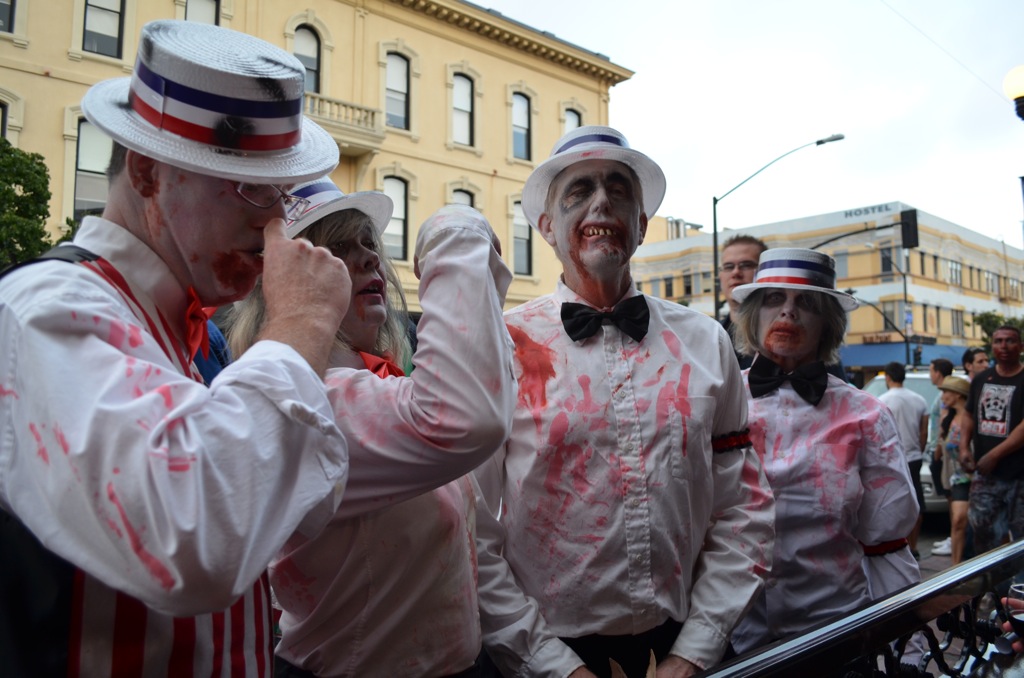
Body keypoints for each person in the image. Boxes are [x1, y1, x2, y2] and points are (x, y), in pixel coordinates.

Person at [0, 20, 355, 675]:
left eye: (283, 195)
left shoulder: (193, 333)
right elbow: (192, 541)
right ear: (146, 173)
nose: (274, 221)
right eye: (251, 187)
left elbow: (306, 508)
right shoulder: (44, 310)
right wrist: (300, 327)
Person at [474, 125, 775, 678]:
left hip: (684, 649)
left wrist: (694, 651)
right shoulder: (501, 345)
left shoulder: (707, 342)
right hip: (545, 655)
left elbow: (744, 509)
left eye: (618, 188)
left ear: (640, 223)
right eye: (578, 190)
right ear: (546, 226)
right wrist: (551, 665)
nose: (601, 202)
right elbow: (472, 532)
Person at [228, 179, 515, 678]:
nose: (367, 259)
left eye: (368, 243)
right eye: (337, 247)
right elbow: (469, 417)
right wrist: (454, 233)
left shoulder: (382, 385)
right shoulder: (320, 405)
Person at [728, 248, 921, 654]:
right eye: (774, 299)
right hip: (734, 635)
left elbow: (886, 542)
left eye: (807, 303)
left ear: (827, 325)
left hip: (835, 634)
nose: (788, 313)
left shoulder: (867, 415)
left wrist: (908, 645)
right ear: (753, 314)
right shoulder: (720, 402)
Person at [959, 326, 1024, 556]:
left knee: (1021, 538)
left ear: (1021, 346)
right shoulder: (980, 380)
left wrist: (994, 455)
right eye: (998, 341)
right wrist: (964, 446)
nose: (1003, 347)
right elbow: (968, 414)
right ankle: (994, 589)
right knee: (984, 534)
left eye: (1010, 341)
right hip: (986, 476)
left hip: (1019, 476)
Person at [878, 361, 930, 558]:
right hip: (914, 456)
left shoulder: (882, 400)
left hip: (892, 458)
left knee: (892, 502)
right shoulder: (919, 400)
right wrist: (919, 449)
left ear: (888, 377)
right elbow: (923, 431)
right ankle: (914, 546)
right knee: (916, 501)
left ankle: (898, 544)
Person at [937, 376, 972, 564]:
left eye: (945, 391)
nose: (942, 396)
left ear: (958, 395)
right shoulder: (947, 418)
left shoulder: (972, 417)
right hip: (958, 478)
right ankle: (955, 568)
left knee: (979, 526)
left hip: (979, 476)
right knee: (958, 520)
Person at [719, 235, 767, 369]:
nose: (736, 272)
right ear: (720, 276)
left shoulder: (784, 338)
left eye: (746, 265)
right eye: (728, 266)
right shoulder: (708, 336)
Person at [926, 358, 955, 557]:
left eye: (931, 371)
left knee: (951, 498)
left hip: (942, 452)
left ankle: (954, 539)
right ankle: (953, 537)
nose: (930, 375)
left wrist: (938, 447)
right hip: (939, 450)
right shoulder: (942, 394)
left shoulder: (945, 395)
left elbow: (944, 422)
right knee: (950, 497)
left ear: (938, 373)